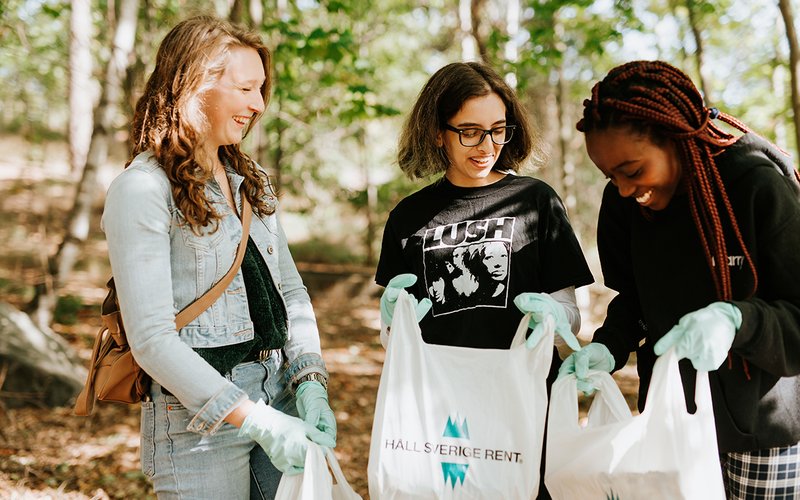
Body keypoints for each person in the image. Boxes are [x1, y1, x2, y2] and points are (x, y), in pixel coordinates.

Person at [101, 16, 336, 498]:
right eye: (246, 88)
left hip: (283, 393)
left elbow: (290, 291)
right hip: (198, 425)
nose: (259, 104)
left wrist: (310, 380)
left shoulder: (251, 180)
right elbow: (151, 340)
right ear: (195, 86)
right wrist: (257, 421)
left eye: (261, 88)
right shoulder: (142, 189)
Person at [565, 60, 800, 498]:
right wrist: (607, 346)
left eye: (633, 171)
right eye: (609, 176)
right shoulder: (623, 203)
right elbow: (633, 298)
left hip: (762, 433)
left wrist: (738, 321)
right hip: (670, 421)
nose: (622, 189)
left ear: (675, 140)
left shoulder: (754, 182)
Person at [375, 61, 594, 498]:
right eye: (469, 131)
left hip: (522, 405)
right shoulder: (409, 217)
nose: (486, 145)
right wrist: (389, 322)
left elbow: (570, 318)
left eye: (498, 129)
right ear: (438, 132)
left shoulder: (536, 202)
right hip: (440, 412)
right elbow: (396, 338)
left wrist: (553, 316)